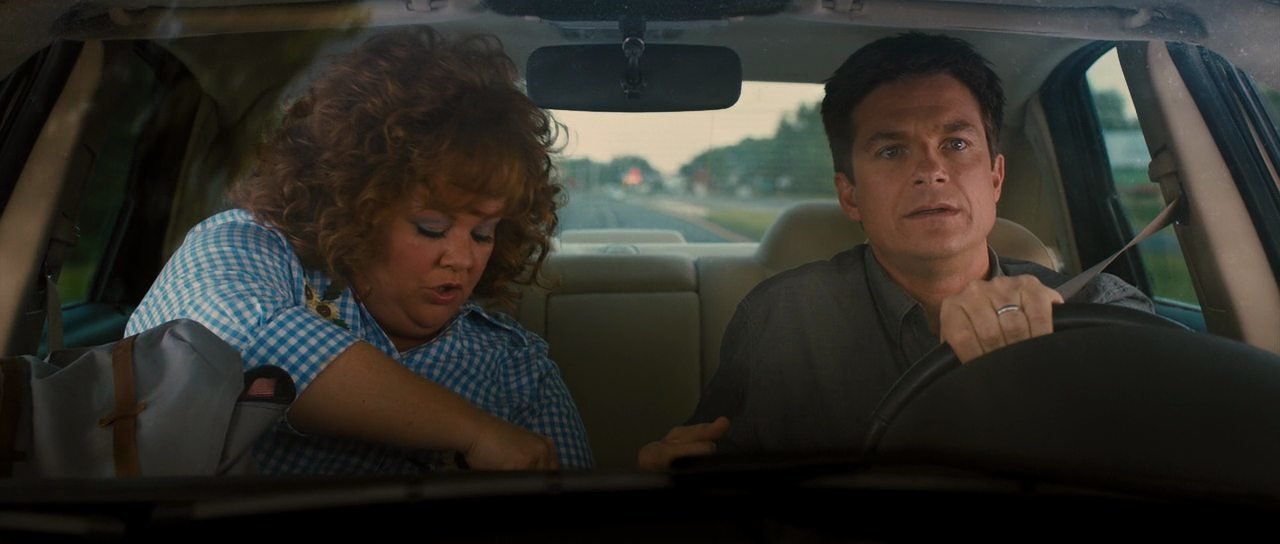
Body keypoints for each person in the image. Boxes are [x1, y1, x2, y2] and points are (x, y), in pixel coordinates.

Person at [638, 32, 1152, 469]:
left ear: (995, 178)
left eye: (956, 144)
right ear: (850, 195)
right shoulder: (777, 316)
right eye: (891, 150)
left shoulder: (1095, 309)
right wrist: (672, 469)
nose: (931, 170)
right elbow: (712, 461)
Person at [126, 27, 593, 474]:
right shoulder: (247, 248)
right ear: (354, 205)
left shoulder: (516, 367)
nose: (462, 259)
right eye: (432, 228)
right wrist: (475, 434)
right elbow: (234, 345)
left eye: (484, 233)